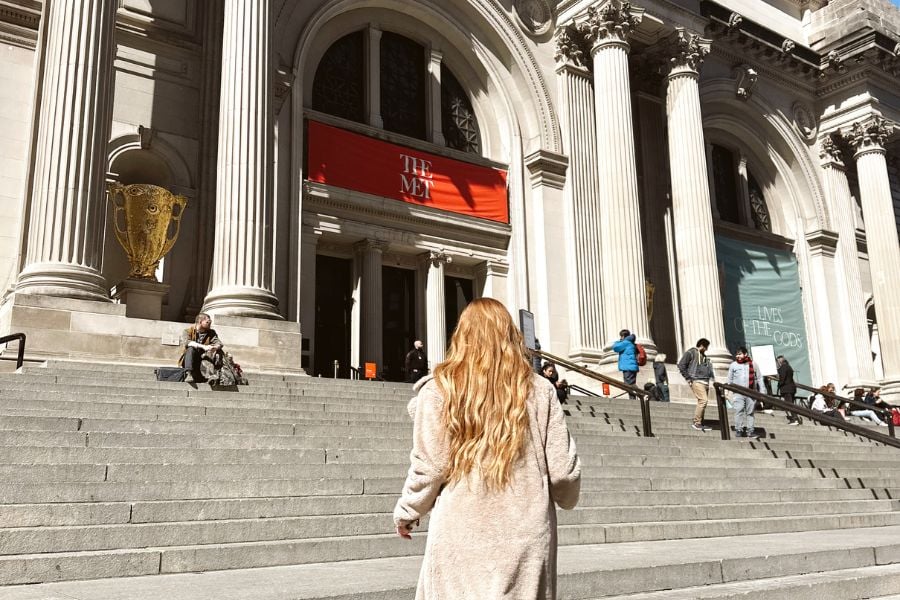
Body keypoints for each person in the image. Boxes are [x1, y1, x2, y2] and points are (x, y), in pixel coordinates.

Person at [393, 298, 581, 599]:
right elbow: (564, 474)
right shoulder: (541, 390)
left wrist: (408, 511)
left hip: (461, 532)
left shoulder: (440, 389)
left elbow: (430, 466)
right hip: (525, 534)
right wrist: (565, 499)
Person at [726, 347, 765, 437]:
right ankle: (738, 429)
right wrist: (727, 392)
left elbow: (759, 378)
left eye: (739, 354)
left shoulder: (753, 364)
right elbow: (729, 379)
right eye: (737, 354)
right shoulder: (733, 365)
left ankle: (750, 431)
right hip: (738, 392)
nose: (738, 356)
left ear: (745, 354)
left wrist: (762, 392)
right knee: (738, 410)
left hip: (751, 392)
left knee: (750, 412)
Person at [677, 338, 715, 431]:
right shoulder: (691, 352)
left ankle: (700, 422)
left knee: (702, 402)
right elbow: (681, 365)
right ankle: (697, 422)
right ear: (702, 345)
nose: (706, 349)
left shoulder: (705, 357)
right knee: (703, 400)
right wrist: (688, 378)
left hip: (705, 382)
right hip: (696, 380)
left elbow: (710, 371)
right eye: (706, 347)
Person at [179, 313, 223, 384]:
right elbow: (187, 342)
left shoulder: (211, 332)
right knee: (191, 348)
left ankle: (214, 375)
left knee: (219, 351)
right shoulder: (187, 331)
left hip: (203, 359)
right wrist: (203, 346)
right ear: (200, 321)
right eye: (208, 322)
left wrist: (214, 347)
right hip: (191, 360)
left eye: (210, 322)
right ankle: (189, 373)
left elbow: (219, 343)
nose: (210, 324)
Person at [611, 329, 639, 398]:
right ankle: (633, 398)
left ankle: (637, 394)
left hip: (628, 367)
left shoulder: (626, 342)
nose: (620, 338)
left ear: (623, 336)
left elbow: (615, 347)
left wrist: (619, 341)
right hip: (631, 366)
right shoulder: (631, 342)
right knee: (630, 384)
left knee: (628, 385)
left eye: (621, 336)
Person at [776, 355, 802, 425]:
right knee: (791, 403)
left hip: (786, 388)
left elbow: (782, 378)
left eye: (777, 361)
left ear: (780, 361)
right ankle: (795, 418)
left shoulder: (783, 367)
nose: (777, 363)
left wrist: (779, 384)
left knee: (789, 404)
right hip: (791, 388)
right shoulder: (789, 367)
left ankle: (794, 419)